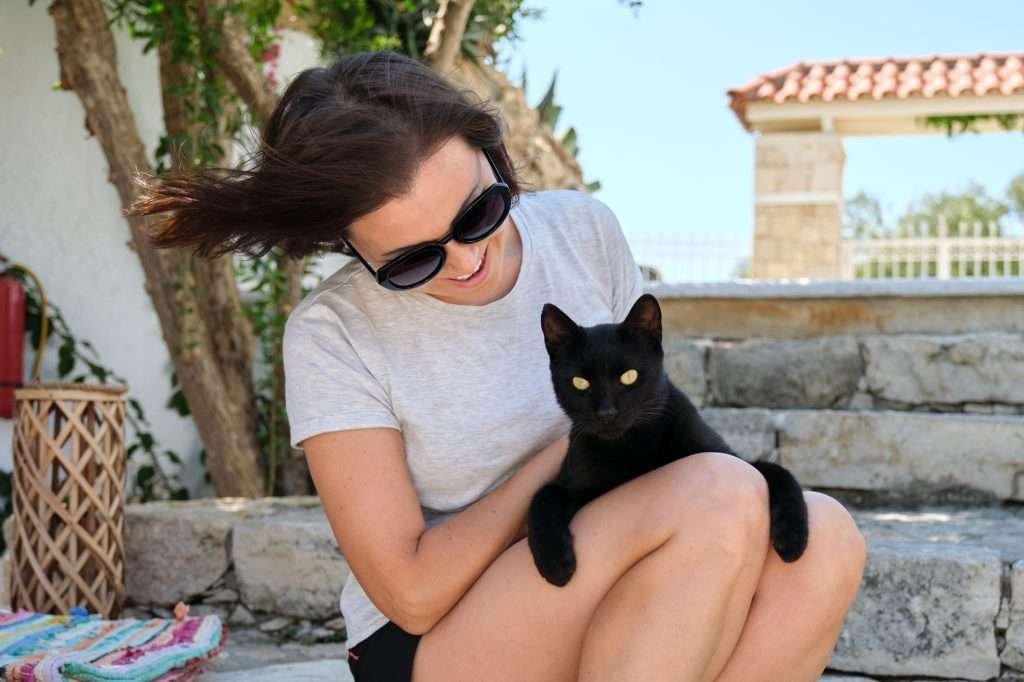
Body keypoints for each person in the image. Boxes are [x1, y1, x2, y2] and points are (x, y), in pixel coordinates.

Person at [130, 50, 867, 682]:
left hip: (595, 557)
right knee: (717, 496)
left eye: (479, 213)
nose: (465, 260)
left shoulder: (582, 231)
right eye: (413, 260)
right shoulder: (333, 333)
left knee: (824, 539)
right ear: (350, 246)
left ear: (492, 151)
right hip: (438, 636)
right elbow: (411, 594)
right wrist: (562, 455)